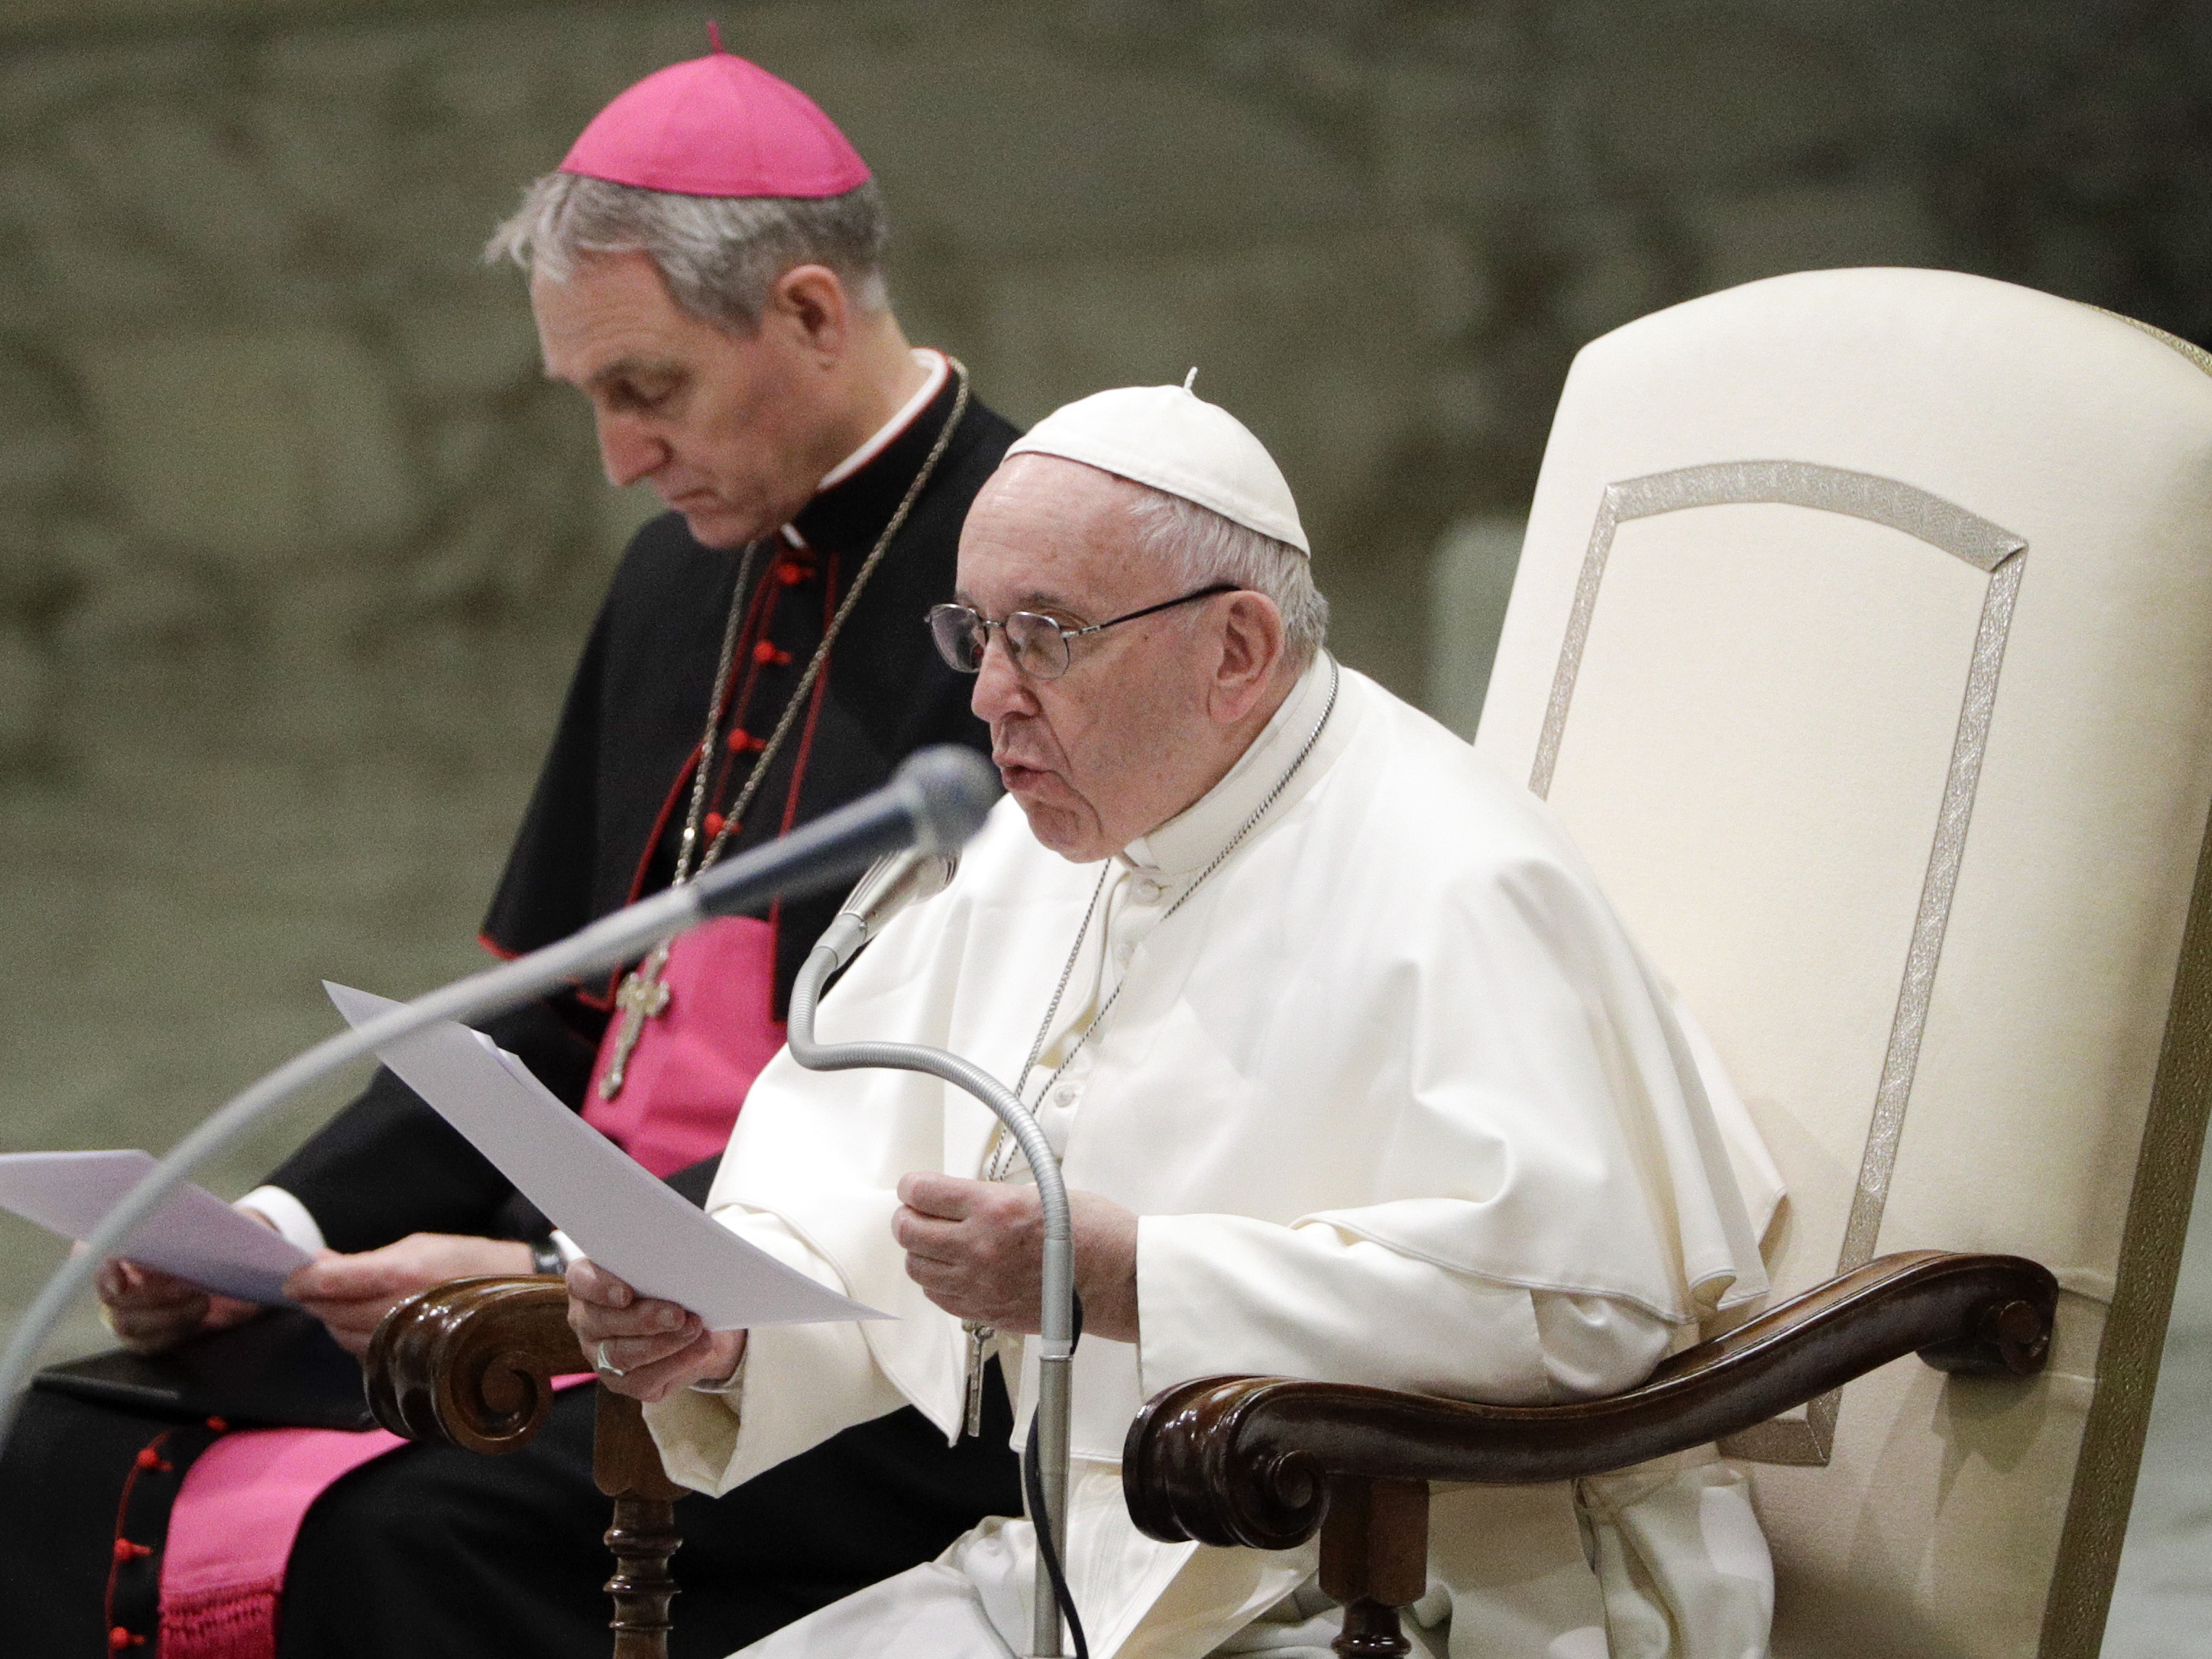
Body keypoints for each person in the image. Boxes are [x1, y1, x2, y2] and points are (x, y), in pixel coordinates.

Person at [0, 42, 1027, 1659]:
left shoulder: (1027, 597)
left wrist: (548, 1265)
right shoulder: (669, 582)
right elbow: (542, 1013)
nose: (619, 457)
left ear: (812, 313)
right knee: (57, 1445)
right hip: (555, 1289)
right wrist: (272, 1240)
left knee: (394, 1537)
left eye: (648, 390)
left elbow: (977, 1106)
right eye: (594, 399)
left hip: (822, 1354)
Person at [571, 381, 1789, 1658]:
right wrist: (720, 1324)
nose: (988, 695)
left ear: (1237, 650)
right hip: (1090, 1566)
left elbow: (1582, 1311)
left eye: (1042, 635)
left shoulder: (1458, 875)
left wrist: (1134, 1275)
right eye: (975, 632)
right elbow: (859, 1194)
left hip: (1428, 1583)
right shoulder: (1037, 847)